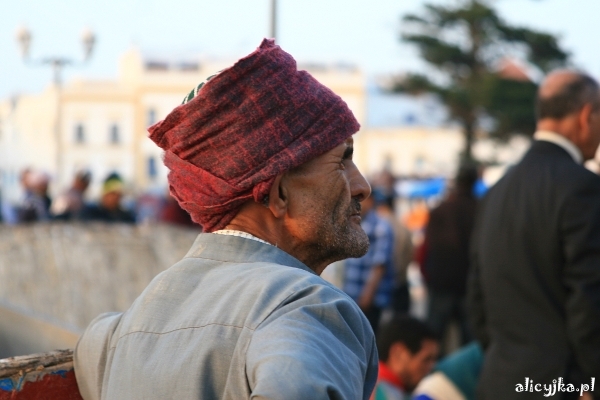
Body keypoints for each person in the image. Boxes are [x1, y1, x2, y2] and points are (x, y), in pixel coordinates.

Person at [74, 39, 378, 400]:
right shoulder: (305, 309)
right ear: (278, 194)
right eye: (342, 161)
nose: (363, 187)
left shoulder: (119, 333)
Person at [468, 70, 600, 399]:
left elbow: (476, 299)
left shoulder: (496, 192)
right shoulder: (583, 188)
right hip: (563, 384)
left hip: (499, 381)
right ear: (586, 116)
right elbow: (589, 302)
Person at [422, 165, 477, 353]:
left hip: (441, 284)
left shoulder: (439, 211)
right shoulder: (482, 210)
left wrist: (428, 277)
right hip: (469, 286)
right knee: (470, 346)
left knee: (432, 343)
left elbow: (425, 250)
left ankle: (431, 380)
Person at [344, 191, 395, 334]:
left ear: (371, 201)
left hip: (369, 300)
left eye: (360, 200)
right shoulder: (355, 224)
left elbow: (379, 265)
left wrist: (368, 295)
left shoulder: (381, 227)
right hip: (353, 296)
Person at [372, 315, 439, 400]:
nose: (431, 367)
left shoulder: (366, 384)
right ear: (398, 353)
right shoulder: (383, 394)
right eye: (426, 359)